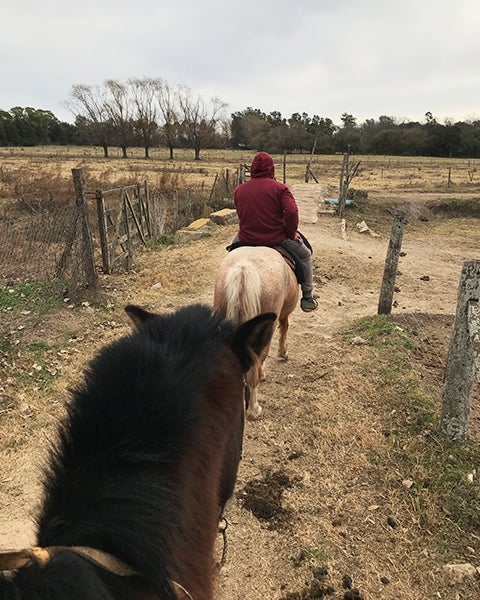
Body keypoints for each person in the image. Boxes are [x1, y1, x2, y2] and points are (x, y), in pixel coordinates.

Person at [232, 151, 318, 312]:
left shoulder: (239, 190)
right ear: (272, 169)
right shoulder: (280, 188)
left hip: (245, 237)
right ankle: (307, 296)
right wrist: (290, 232)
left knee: (230, 256)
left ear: (252, 169)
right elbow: (292, 212)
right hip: (276, 238)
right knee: (305, 255)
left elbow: (241, 212)